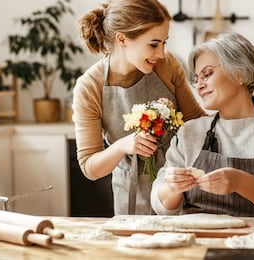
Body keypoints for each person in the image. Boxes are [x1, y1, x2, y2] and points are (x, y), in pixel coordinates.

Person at [150, 32, 254, 221]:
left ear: (241, 73)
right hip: (194, 240)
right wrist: (172, 188)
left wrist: (240, 182)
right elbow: (160, 205)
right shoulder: (190, 131)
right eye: (197, 79)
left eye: (207, 74)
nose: (199, 86)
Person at [72, 0, 206, 215]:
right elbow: (90, 168)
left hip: (179, 184)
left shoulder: (166, 65)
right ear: (122, 40)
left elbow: (197, 123)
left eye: (164, 43)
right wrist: (122, 146)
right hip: (132, 197)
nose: (161, 53)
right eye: (154, 44)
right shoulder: (90, 86)